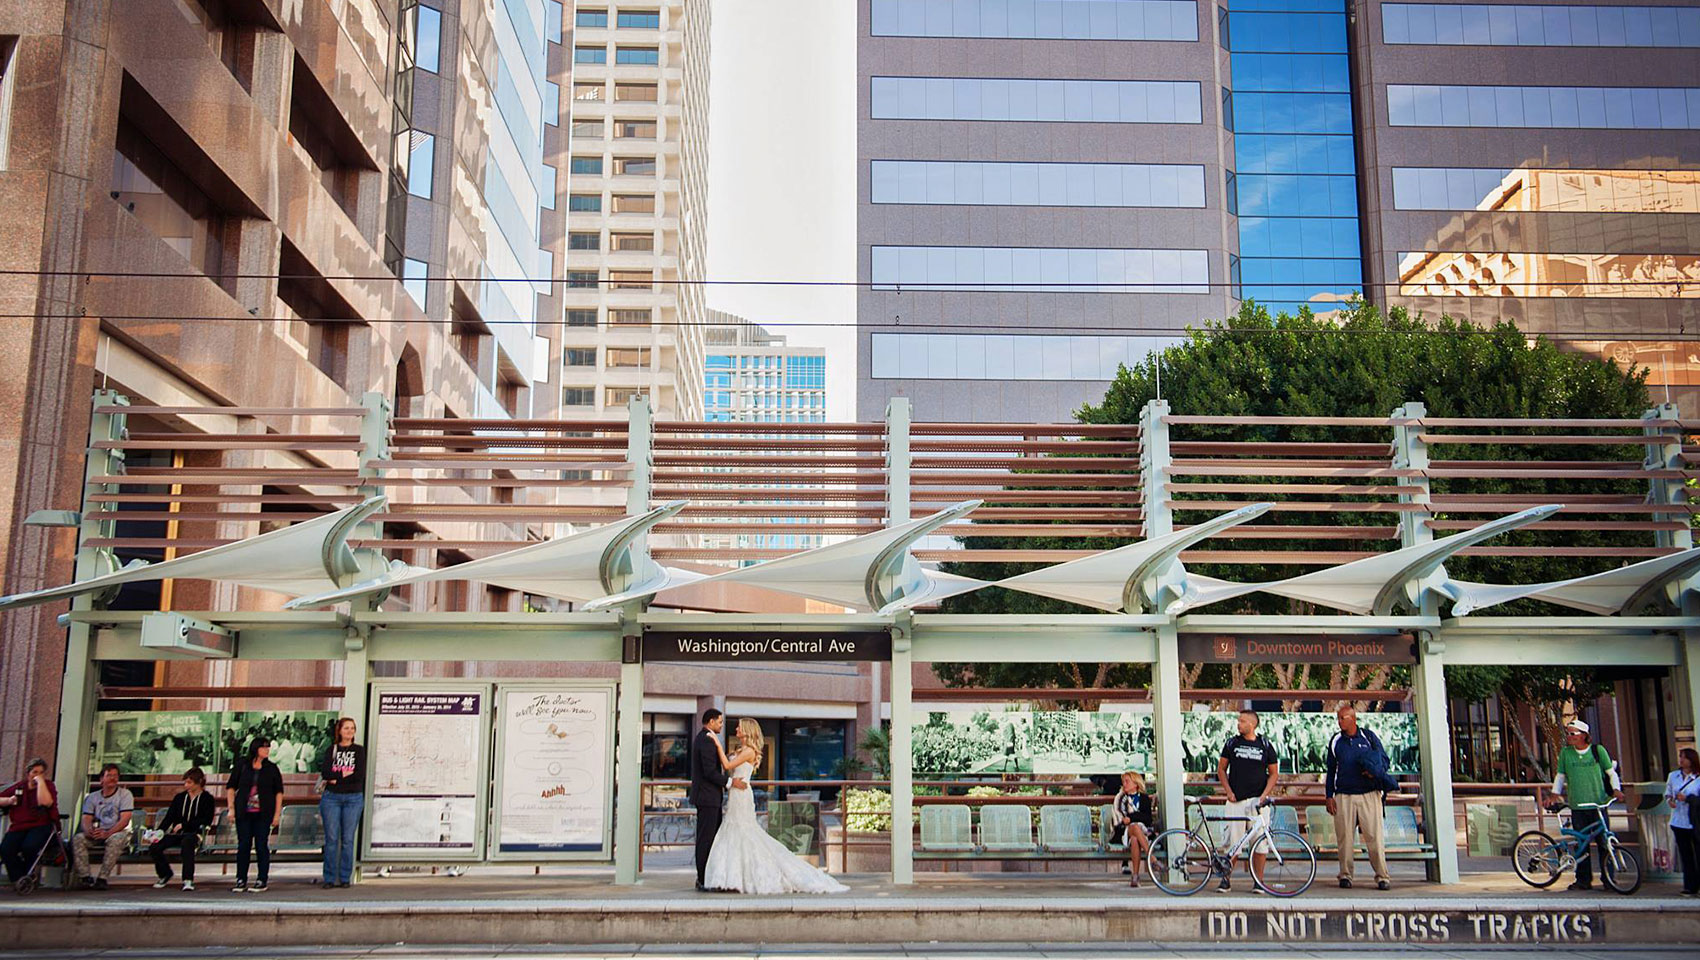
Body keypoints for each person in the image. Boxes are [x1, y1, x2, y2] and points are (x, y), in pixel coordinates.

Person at [703, 718, 847, 894]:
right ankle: (733, 877)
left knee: (744, 831)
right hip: (735, 793)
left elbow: (726, 765)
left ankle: (744, 876)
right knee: (735, 831)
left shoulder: (749, 751)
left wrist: (716, 743)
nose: (736, 729)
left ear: (747, 730)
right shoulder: (741, 749)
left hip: (741, 795)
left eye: (739, 727)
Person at [1551, 718, 1625, 892]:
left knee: (1604, 842)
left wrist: (1616, 789)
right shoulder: (1566, 753)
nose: (1569, 737)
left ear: (1584, 735)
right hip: (1578, 806)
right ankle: (1583, 880)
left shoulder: (1598, 751)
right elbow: (1560, 775)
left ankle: (1609, 879)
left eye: (1573, 734)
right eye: (1568, 734)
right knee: (1581, 844)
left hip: (1598, 804)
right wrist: (1555, 793)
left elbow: (1610, 773)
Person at [1325, 706, 1392, 891]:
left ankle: (1382, 876)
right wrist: (1329, 795)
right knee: (1345, 838)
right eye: (1338, 718)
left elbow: (1385, 760)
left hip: (1369, 794)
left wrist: (1374, 772)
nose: (1339, 722)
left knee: (1374, 837)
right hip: (1344, 795)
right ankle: (1345, 875)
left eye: (1342, 718)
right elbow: (1331, 770)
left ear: (1353, 718)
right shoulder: (1336, 740)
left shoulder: (1368, 737)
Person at [1216, 709, 1279, 893]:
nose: (1239, 724)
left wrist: (1264, 796)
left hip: (1257, 802)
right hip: (1236, 800)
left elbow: (1274, 773)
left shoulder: (1265, 745)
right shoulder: (1232, 743)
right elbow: (1221, 769)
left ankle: (1258, 881)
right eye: (1239, 720)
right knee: (1233, 842)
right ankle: (1226, 879)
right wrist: (1228, 791)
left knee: (1260, 842)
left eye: (1242, 721)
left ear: (1252, 724)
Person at [227, 737, 285, 892]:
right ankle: (241, 879)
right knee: (244, 845)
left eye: (268, 747)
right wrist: (231, 808)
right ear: (256, 748)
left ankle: (262, 879)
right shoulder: (243, 765)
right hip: (244, 812)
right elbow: (231, 787)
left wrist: (277, 814)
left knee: (261, 845)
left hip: (263, 812)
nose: (267, 750)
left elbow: (279, 792)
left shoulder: (271, 768)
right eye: (264, 747)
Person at [689, 708, 738, 891]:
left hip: (709, 798)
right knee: (706, 840)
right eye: (719, 722)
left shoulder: (706, 739)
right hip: (707, 798)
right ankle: (702, 879)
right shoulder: (706, 741)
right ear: (710, 722)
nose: (721, 725)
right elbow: (710, 772)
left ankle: (706, 877)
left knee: (710, 839)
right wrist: (731, 782)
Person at [151, 767, 216, 891]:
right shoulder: (180, 798)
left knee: (187, 843)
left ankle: (188, 879)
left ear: (200, 782)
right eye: (185, 782)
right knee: (155, 846)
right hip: (177, 834)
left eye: (190, 782)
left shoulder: (207, 799)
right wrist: (159, 831)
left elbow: (206, 820)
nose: (187, 785)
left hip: (195, 834)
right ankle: (165, 873)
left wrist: (185, 825)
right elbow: (169, 817)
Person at [318, 717, 365, 888]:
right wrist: (343, 775)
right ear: (339, 730)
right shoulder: (332, 749)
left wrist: (337, 778)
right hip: (331, 798)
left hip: (353, 798)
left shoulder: (359, 751)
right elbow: (325, 773)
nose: (350, 731)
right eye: (346, 728)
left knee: (348, 839)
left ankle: (345, 877)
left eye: (352, 728)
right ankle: (329, 877)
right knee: (331, 838)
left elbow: (359, 775)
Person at [72, 763, 135, 889]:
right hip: (99, 832)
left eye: (115, 776)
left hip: (119, 831)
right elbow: (86, 818)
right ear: (101, 779)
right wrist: (89, 831)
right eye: (109, 775)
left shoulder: (125, 794)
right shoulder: (92, 797)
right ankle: (85, 878)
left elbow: (125, 820)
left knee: (116, 840)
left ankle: (102, 878)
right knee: (78, 839)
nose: (113, 778)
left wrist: (108, 833)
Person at [0, 758, 58, 887]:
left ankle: (26, 876)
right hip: (19, 826)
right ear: (28, 774)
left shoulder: (48, 786)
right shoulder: (19, 787)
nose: (37, 775)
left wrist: (40, 783)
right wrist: (9, 801)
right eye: (34, 772)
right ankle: (19, 878)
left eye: (41, 772)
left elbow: (46, 802)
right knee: (6, 849)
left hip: (40, 825)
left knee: (30, 846)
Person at [1665, 747, 1700, 896]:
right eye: (1680, 757)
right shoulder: (1673, 776)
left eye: (1684, 758)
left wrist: (1688, 799)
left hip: (1695, 821)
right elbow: (1667, 792)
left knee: (1698, 854)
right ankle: (1690, 886)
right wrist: (1670, 800)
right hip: (1678, 821)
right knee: (1686, 855)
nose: (1681, 760)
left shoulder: (1697, 778)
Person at [1110, 771, 1154, 888]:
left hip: (1141, 833)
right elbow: (1121, 820)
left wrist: (1132, 817)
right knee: (1134, 827)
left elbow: (1148, 819)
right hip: (1123, 833)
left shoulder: (1144, 798)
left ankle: (1135, 876)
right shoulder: (1120, 798)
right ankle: (1152, 858)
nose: (1124, 784)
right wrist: (1133, 819)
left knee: (1135, 838)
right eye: (1123, 782)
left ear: (1136, 784)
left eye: (1127, 781)